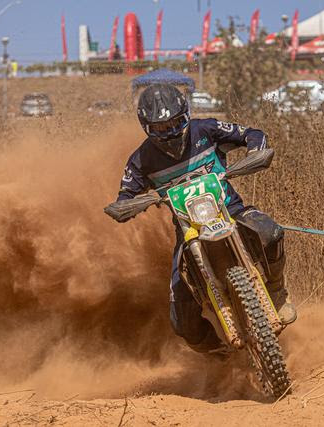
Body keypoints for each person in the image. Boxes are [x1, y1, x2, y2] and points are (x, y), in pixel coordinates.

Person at [108, 83, 296, 353]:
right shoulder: (141, 160)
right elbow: (125, 193)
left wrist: (256, 151)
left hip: (231, 210)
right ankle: (219, 356)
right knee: (182, 322)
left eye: (174, 123)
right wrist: (125, 206)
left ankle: (277, 292)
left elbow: (250, 134)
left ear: (185, 114)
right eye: (160, 128)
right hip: (188, 232)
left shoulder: (205, 129)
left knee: (271, 232)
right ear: (147, 127)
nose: (169, 131)